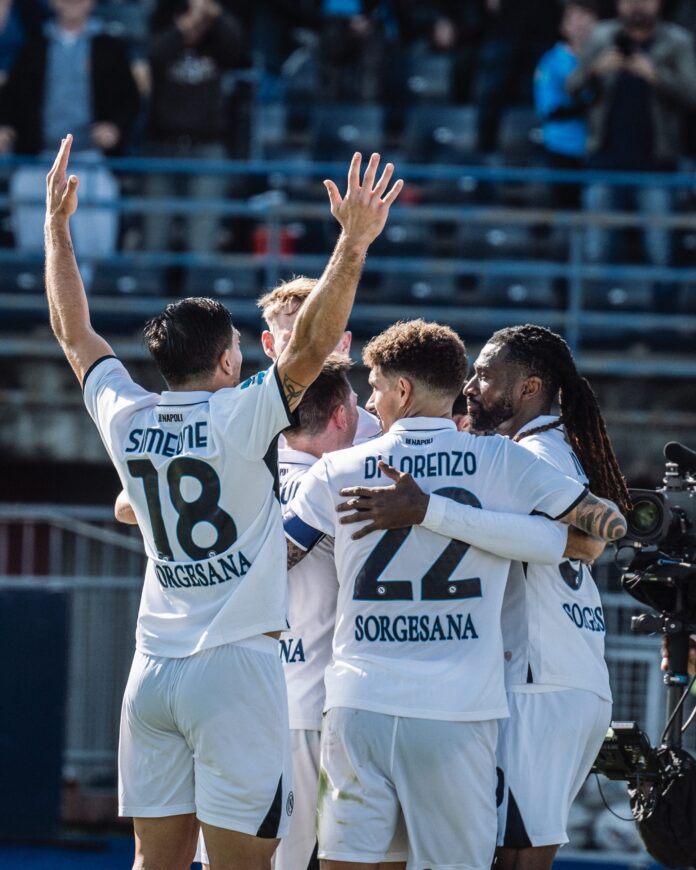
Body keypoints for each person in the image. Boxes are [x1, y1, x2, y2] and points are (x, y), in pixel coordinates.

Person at [44, 137, 402, 870]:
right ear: (230, 359)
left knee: (156, 862)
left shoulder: (127, 413)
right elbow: (312, 347)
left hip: (152, 666)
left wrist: (57, 230)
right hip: (235, 667)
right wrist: (353, 244)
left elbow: (75, 334)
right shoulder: (243, 413)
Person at [283, 319, 626, 870]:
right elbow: (606, 525)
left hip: (358, 703)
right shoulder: (501, 461)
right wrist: (550, 538)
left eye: (375, 387)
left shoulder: (338, 469)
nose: (370, 401)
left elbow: (276, 559)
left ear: (402, 390)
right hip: (458, 710)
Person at [0, 0, 139, 269]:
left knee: (95, 247)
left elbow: (129, 99)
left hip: (91, 159)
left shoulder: (109, 47)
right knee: (33, 244)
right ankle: (37, 288)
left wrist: (115, 127)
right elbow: (12, 96)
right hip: (39, 158)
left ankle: (90, 291)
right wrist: (4, 125)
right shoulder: (34, 45)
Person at [566, 0, 696, 272]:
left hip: (657, 163)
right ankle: (597, 298)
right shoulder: (601, 36)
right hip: (605, 160)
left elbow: (691, 94)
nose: (636, 5)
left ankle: (660, 300)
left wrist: (655, 75)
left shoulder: (678, 41)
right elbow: (572, 86)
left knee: (661, 252)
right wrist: (596, 69)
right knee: (597, 250)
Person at [144, 0, 245, 253]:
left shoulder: (218, 34)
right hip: (161, 146)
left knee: (202, 239)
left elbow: (237, 49)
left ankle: (199, 281)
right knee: (154, 237)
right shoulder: (164, 14)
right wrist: (185, 25)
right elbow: (154, 56)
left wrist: (213, 13)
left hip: (207, 147)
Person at [257, 276, 382, 446]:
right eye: (295, 340)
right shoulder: (247, 429)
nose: (311, 350)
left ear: (345, 344)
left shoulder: (375, 434)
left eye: (324, 337)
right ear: (269, 344)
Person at [534, 0, 599, 206]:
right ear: (563, 26)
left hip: (599, 150)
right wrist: (590, 104)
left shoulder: (607, 58)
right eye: (576, 18)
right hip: (563, 148)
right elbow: (550, 109)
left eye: (588, 17)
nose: (582, 24)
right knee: (568, 210)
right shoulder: (551, 61)